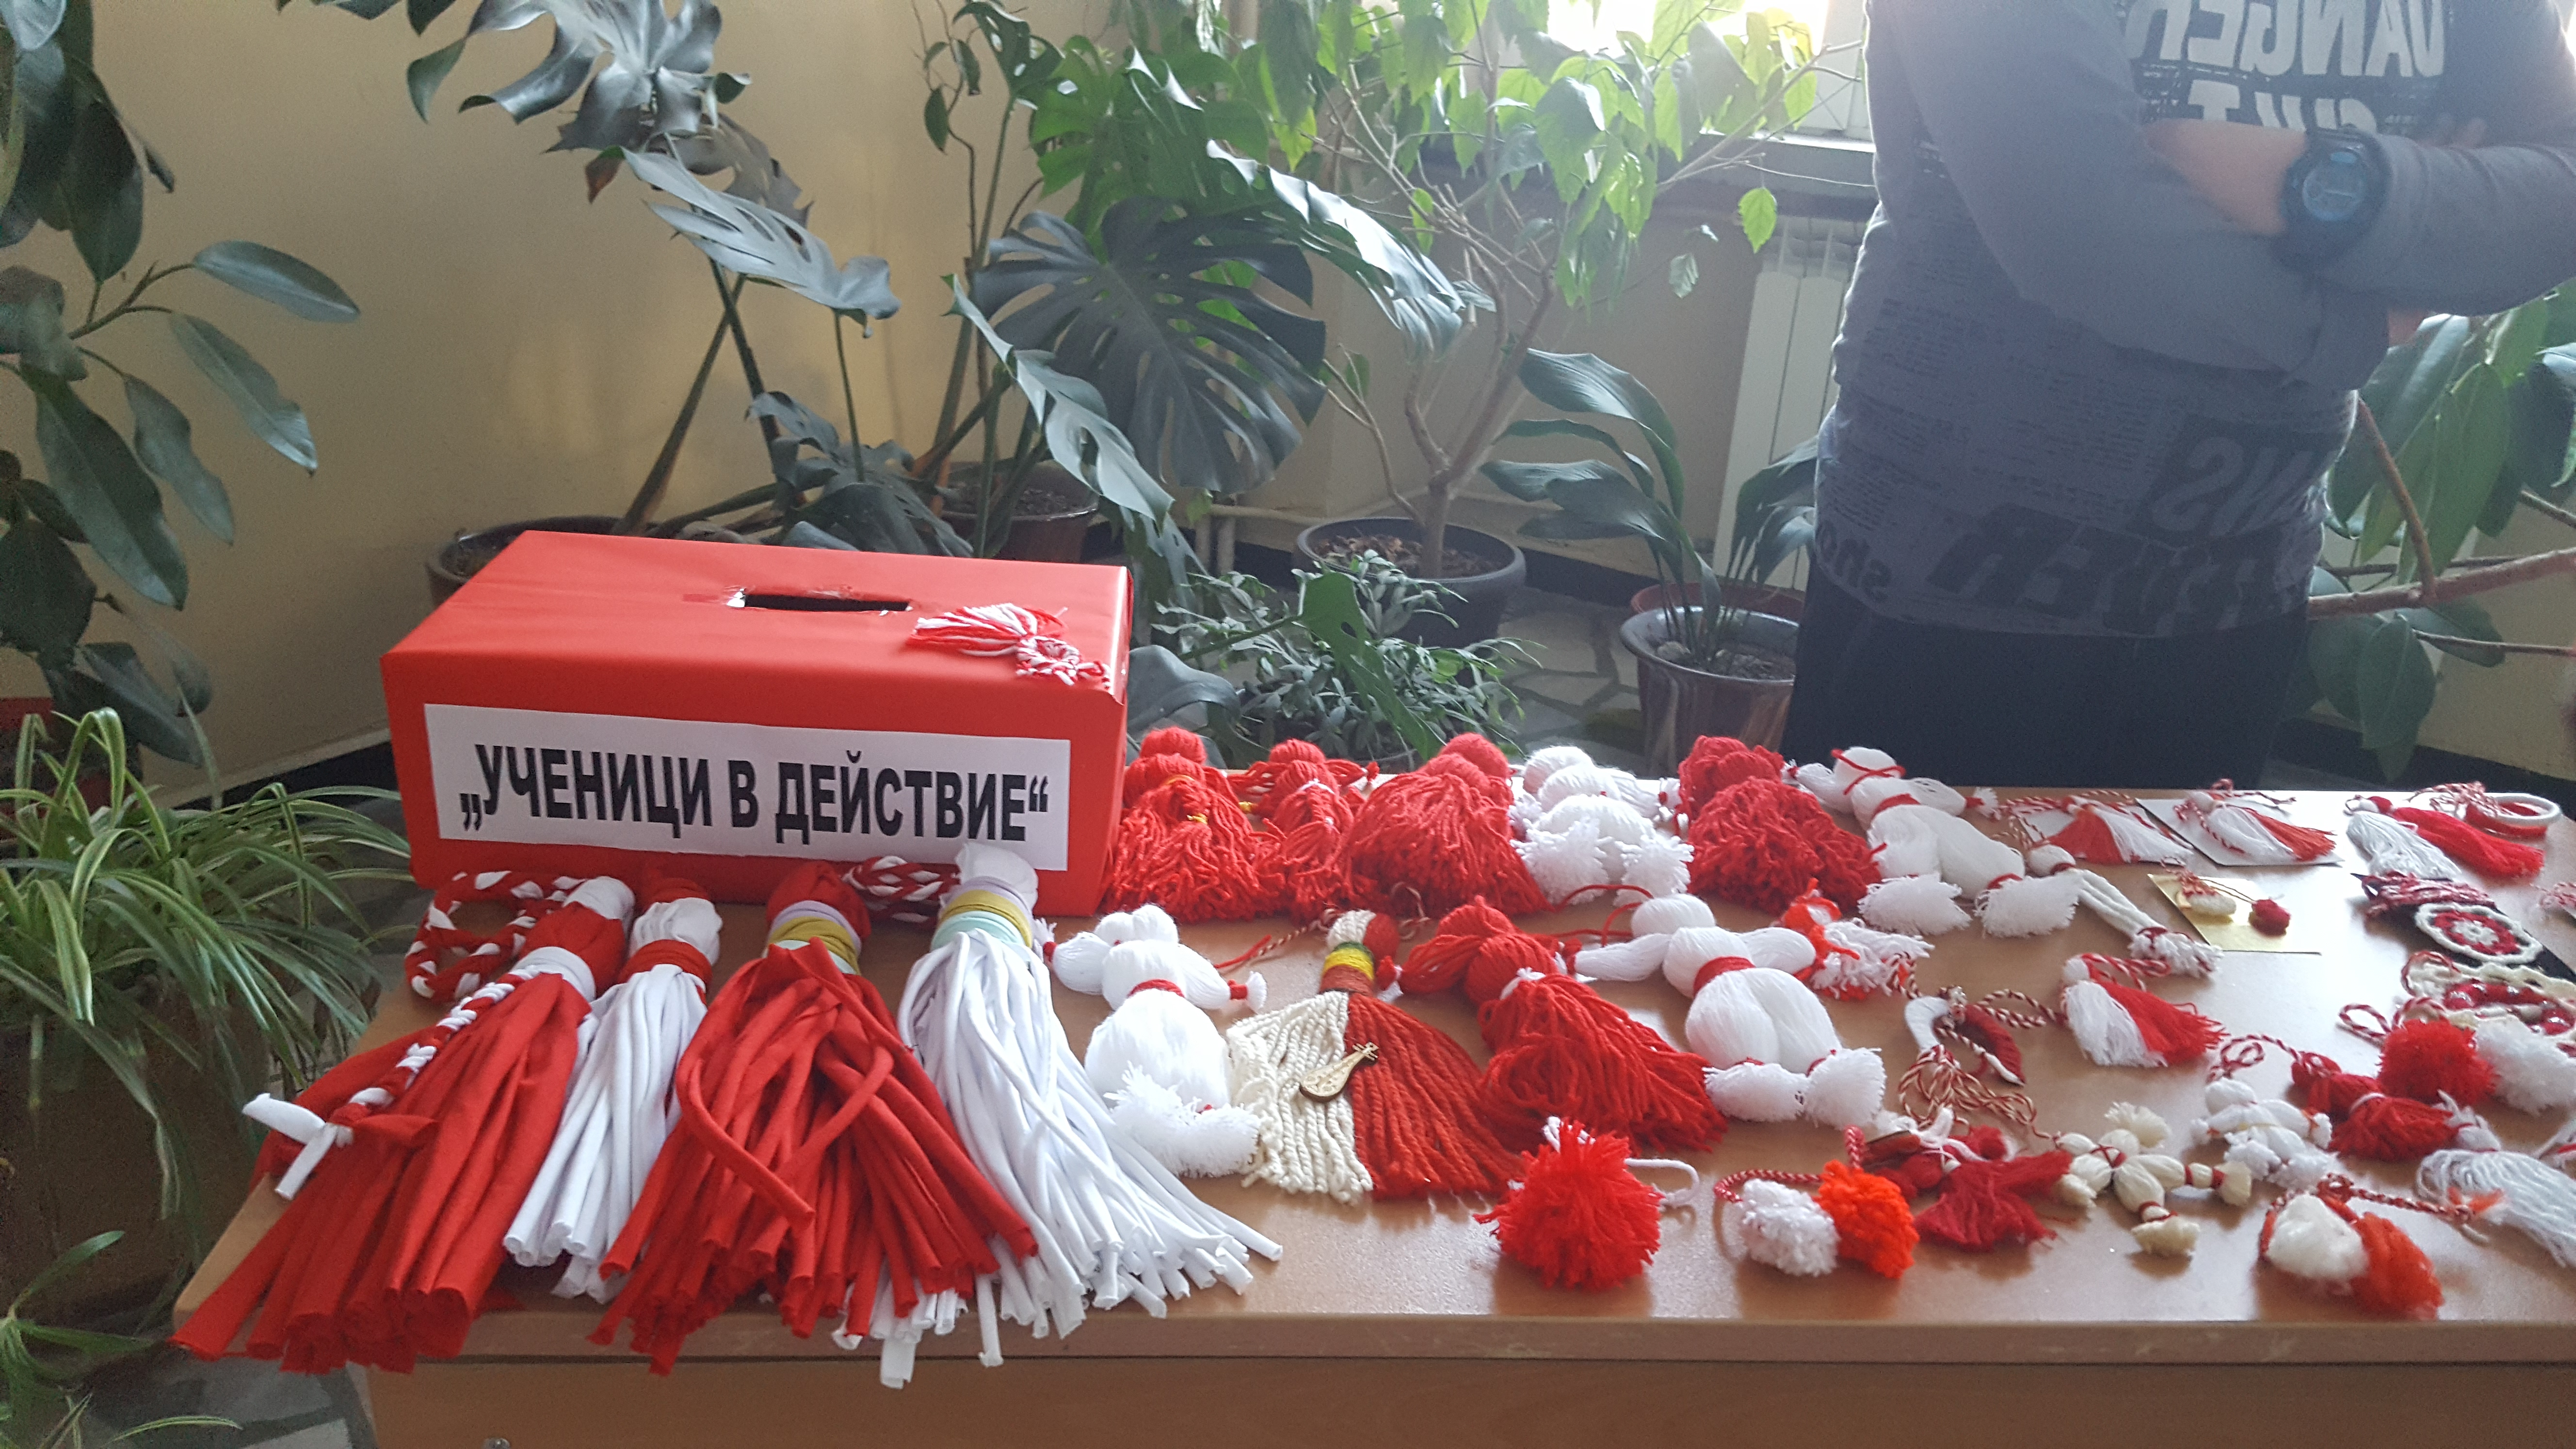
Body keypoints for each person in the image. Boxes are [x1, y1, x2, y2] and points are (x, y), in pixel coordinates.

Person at [1779, 0, 2576, 787]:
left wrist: (2324, 180)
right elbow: (2082, 233)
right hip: (1942, 579)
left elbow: (2560, 194)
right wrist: (2362, 304)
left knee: (2177, 878)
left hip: (2241, 586)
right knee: (1872, 874)